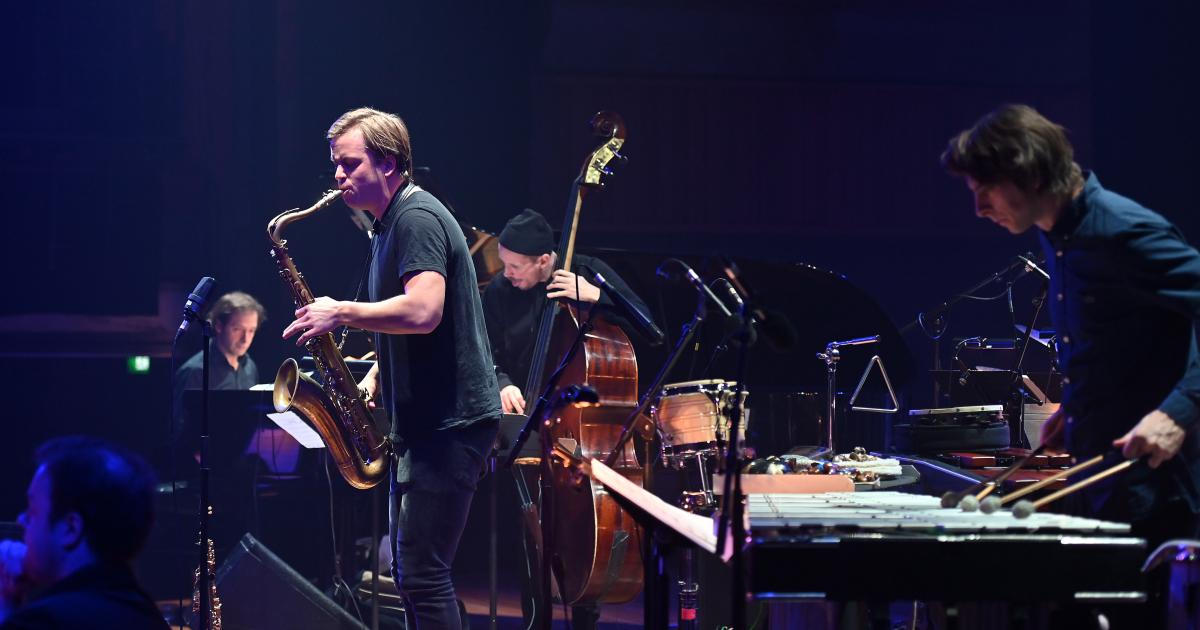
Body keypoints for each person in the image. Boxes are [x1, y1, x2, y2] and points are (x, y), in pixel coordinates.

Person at [941, 103, 1200, 546]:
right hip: (1098, 475)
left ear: (1031, 176)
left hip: (1157, 485)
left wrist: (1177, 414)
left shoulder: (1122, 232)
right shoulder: (1059, 236)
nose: (980, 208)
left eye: (987, 190)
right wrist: (1079, 408)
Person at [282, 107, 500, 630]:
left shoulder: (416, 219)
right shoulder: (387, 225)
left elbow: (424, 311)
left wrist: (341, 312)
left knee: (423, 575)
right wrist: (378, 373)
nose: (338, 176)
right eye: (335, 165)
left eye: (350, 164)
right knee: (410, 574)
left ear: (389, 163)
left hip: (450, 423)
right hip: (425, 423)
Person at [483, 208, 654, 414]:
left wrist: (597, 295)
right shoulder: (499, 289)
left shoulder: (587, 271)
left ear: (543, 260)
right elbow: (483, 347)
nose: (506, 273)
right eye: (504, 263)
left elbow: (648, 330)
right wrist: (501, 383)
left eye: (515, 266)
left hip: (580, 413)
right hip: (521, 410)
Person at [0, 436, 168, 630]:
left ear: (70, 528)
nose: (21, 520)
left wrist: (4, 604)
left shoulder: (43, 622)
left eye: (33, 511)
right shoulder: (150, 616)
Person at [172, 291, 265, 436]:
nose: (245, 339)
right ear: (219, 326)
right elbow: (180, 428)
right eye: (237, 329)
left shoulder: (250, 366)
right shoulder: (195, 371)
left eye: (251, 331)